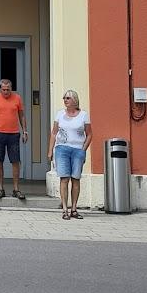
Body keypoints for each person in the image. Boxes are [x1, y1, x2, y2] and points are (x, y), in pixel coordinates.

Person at [49, 88, 92, 219]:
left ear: (74, 100)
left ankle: (74, 208)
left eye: (68, 98)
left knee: (75, 179)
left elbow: (89, 134)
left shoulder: (83, 115)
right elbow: (54, 133)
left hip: (77, 149)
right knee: (64, 178)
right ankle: (64, 209)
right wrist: (50, 150)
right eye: (64, 98)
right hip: (62, 149)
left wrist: (83, 149)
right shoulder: (60, 114)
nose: (65, 100)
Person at [0, 77, 28, 200]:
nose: (6, 92)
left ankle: (16, 189)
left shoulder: (17, 98)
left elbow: (22, 116)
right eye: (3, 90)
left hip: (13, 134)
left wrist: (25, 131)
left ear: (11, 88)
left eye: (8, 89)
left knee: (15, 161)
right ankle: (1, 188)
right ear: (0, 89)